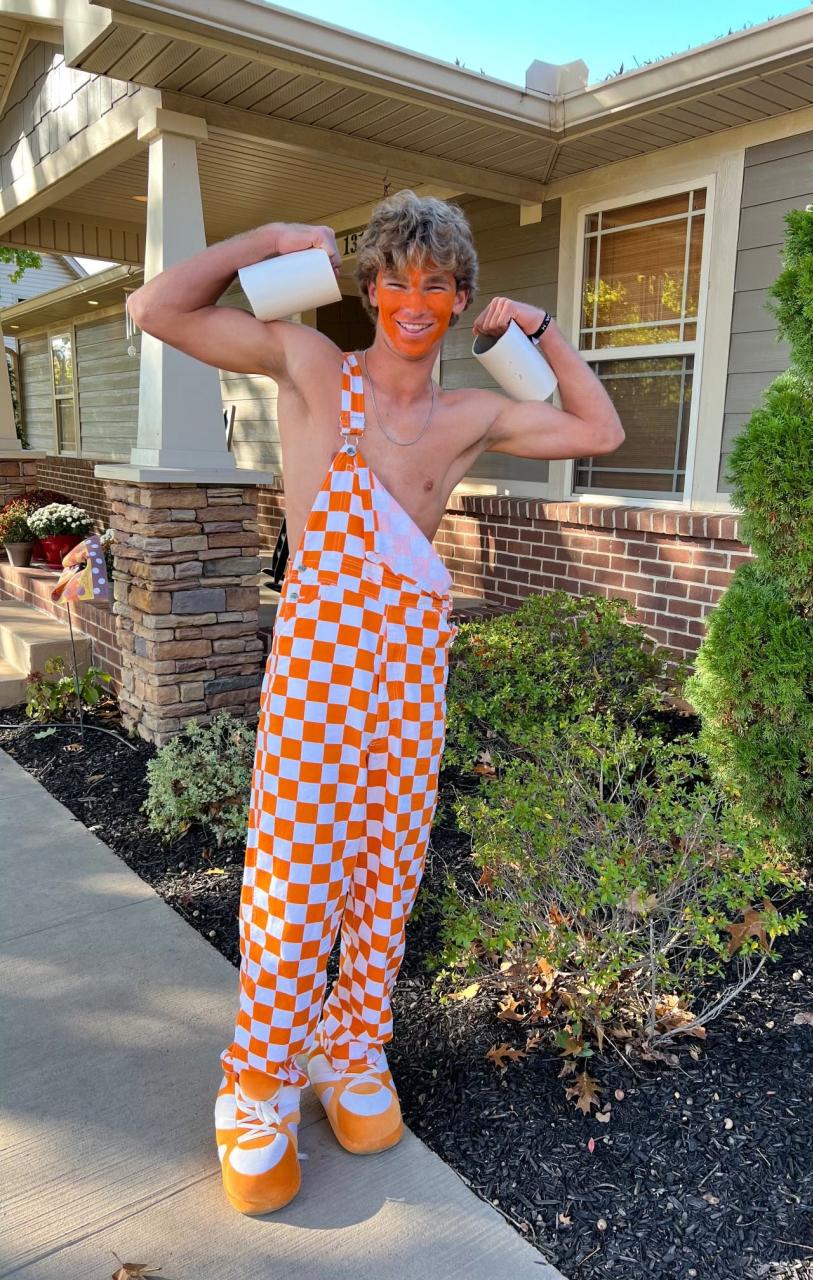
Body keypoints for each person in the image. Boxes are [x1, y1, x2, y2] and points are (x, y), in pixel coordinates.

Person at [126, 189, 624, 1216]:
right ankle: (256, 1086)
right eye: (397, 279)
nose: (414, 299)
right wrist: (270, 239)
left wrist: (536, 329)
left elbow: (599, 426)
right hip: (319, 668)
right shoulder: (314, 368)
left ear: (458, 300)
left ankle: (350, 1052)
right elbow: (156, 310)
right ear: (370, 287)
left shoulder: (469, 414)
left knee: (387, 877)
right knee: (297, 879)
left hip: (410, 675)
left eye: (437, 285)